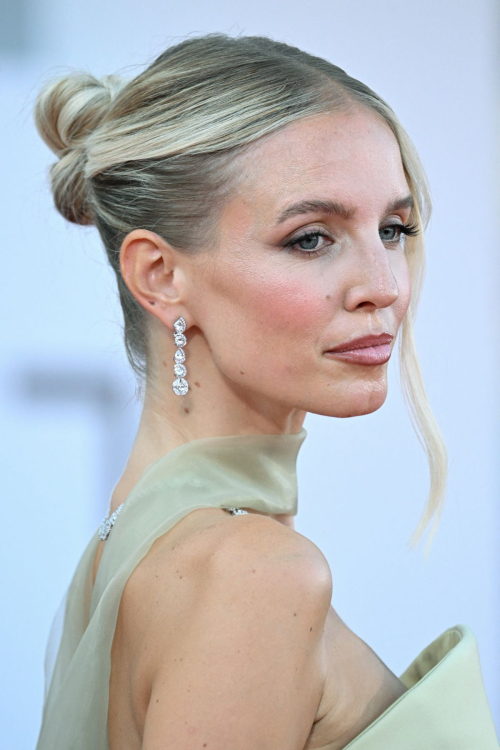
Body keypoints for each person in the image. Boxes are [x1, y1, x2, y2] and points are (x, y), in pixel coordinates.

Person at [33, 32, 499, 749]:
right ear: (159, 275)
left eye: (394, 228)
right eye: (311, 238)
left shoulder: (137, 538)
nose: (384, 286)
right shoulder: (255, 576)